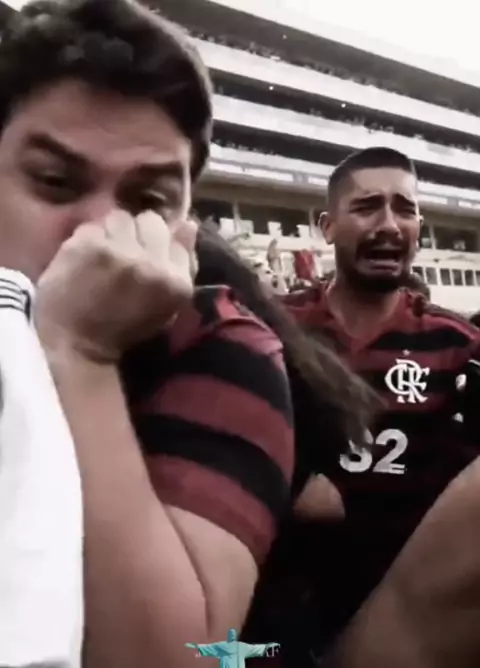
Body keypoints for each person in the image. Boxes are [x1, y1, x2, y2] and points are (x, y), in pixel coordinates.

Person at [0, 1, 295, 667]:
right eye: (55, 183)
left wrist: (82, 352)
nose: (99, 233)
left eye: (147, 202)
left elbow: (178, 656)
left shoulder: (224, 348)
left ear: (188, 216)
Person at [267, 146, 480, 665]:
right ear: (327, 227)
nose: (389, 224)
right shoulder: (268, 327)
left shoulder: (460, 346)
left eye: (405, 209)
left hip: (404, 623)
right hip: (274, 606)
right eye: (367, 207)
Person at [185, 627, 279, 667]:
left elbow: (256, 649)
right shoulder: (227, 646)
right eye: (231, 635)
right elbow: (211, 648)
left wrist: (267, 648)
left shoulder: (240, 647)